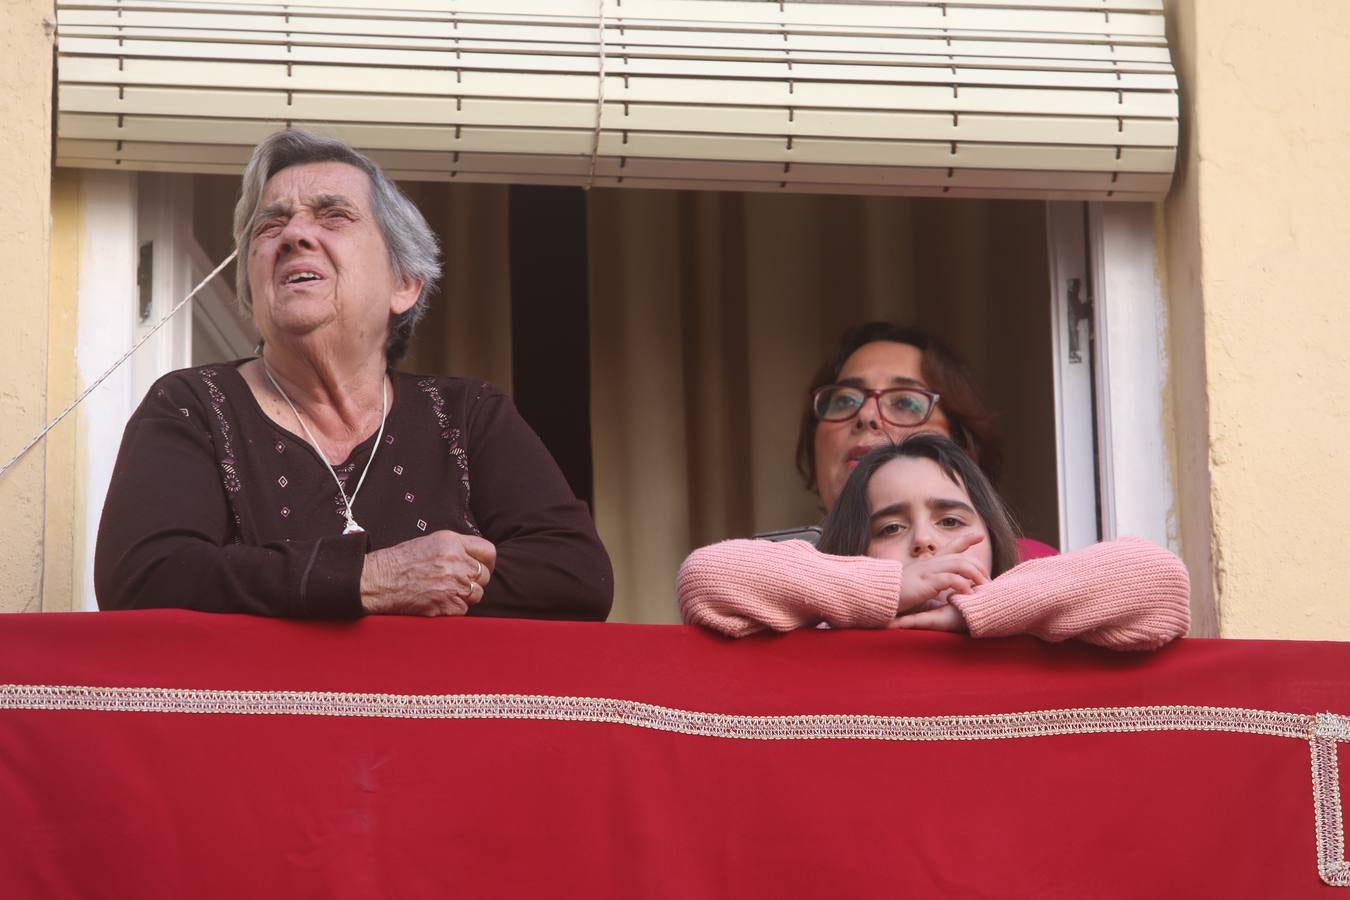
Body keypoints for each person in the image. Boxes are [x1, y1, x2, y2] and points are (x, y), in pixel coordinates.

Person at [95, 129, 613, 620]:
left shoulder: (467, 414)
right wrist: (371, 579)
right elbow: (144, 578)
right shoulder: (192, 405)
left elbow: (576, 574)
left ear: (404, 283)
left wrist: (434, 581)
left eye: (334, 216)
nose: (294, 234)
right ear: (252, 289)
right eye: (270, 225)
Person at [680, 435, 1190, 650]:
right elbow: (706, 579)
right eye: (890, 528)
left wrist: (986, 610)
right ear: (853, 550)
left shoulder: (1029, 618)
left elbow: (1162, 582)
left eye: (949, 521)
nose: (925, 542)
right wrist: (885, 590)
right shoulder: (828, 628)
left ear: (992, 538)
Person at [794, 321, 1058, 561]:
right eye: (844, 400)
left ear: (963, 448)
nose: (866, 414)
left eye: (905, 402)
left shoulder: (1029, 568)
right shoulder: (782, 579)